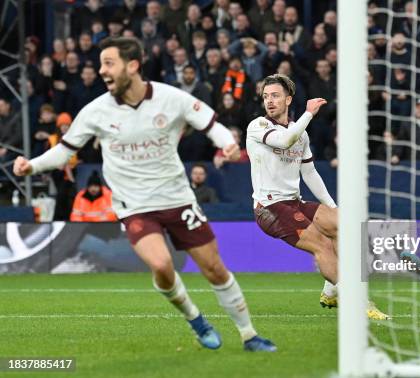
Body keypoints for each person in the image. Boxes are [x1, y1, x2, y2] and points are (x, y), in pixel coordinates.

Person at [13, 37, 275, 352]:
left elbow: (208, 121)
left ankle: (249, 335)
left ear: (133, 65)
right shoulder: (95, 111)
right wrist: (31, 166)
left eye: (109, 63)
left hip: (178, 199)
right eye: (101, 64)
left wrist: (226, 143)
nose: (102, 71)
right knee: (163, 266)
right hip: (134, 206)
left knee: (214, 268)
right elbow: (64, 151)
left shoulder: (170, 98)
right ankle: (196, 319)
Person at [246, 74, 389, 320]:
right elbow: (284, 139)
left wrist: (333, 208)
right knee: (322, 246)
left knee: (344, 225)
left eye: (275, 95)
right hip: (269, 207)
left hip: (294, 202)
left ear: (288, 99)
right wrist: (309, 113)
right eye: (266, 96)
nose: (269, 101)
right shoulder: (258, 126)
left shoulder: (300, 133)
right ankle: (359, 302)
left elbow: (310, 172)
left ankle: (331, 291)